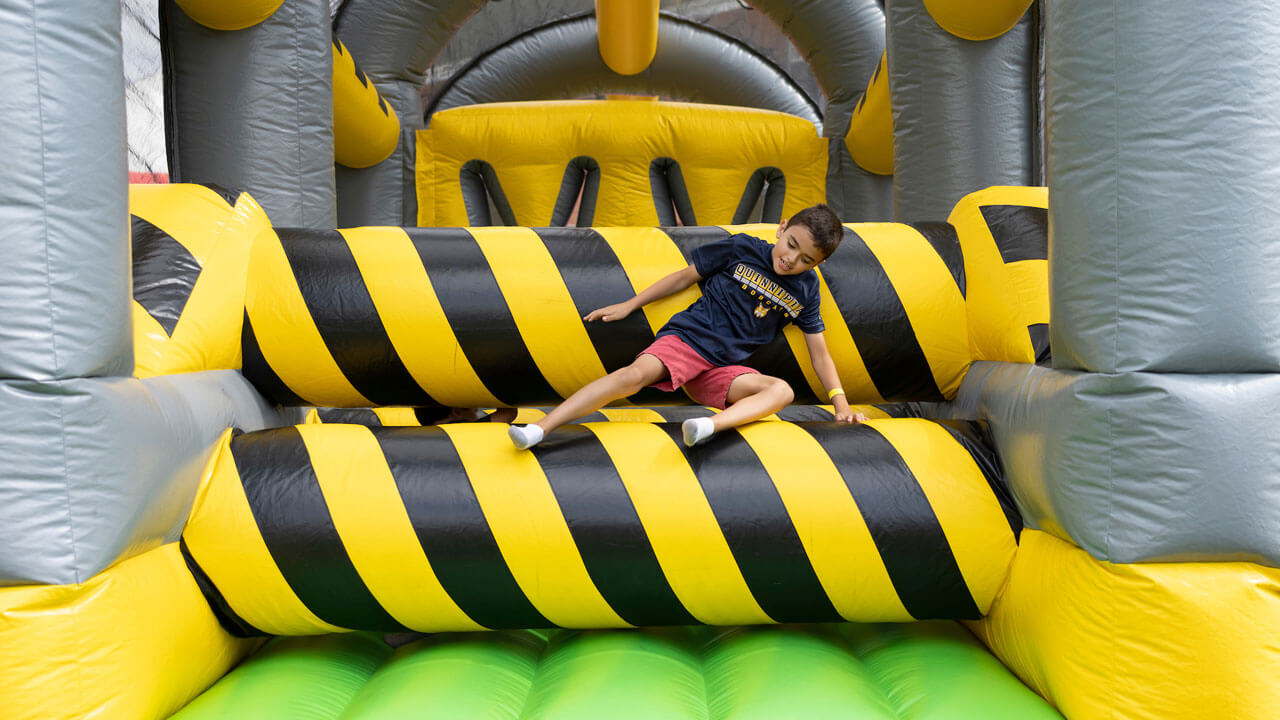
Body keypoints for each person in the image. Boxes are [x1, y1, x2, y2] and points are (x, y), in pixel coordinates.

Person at [508, 203, 864, 450]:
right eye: (791, 245)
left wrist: (840, 404)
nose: (790, 259)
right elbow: (683, 277)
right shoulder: (742, 248)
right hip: (690, 341)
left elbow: (820, 353)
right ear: (781, 228)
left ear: (820, 262)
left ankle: (707, 427)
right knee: (631, 376)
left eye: (806, 260)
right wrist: (631, 304)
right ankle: (541, 428)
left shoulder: (806, 290)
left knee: (782, 391)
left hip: (722, 369)